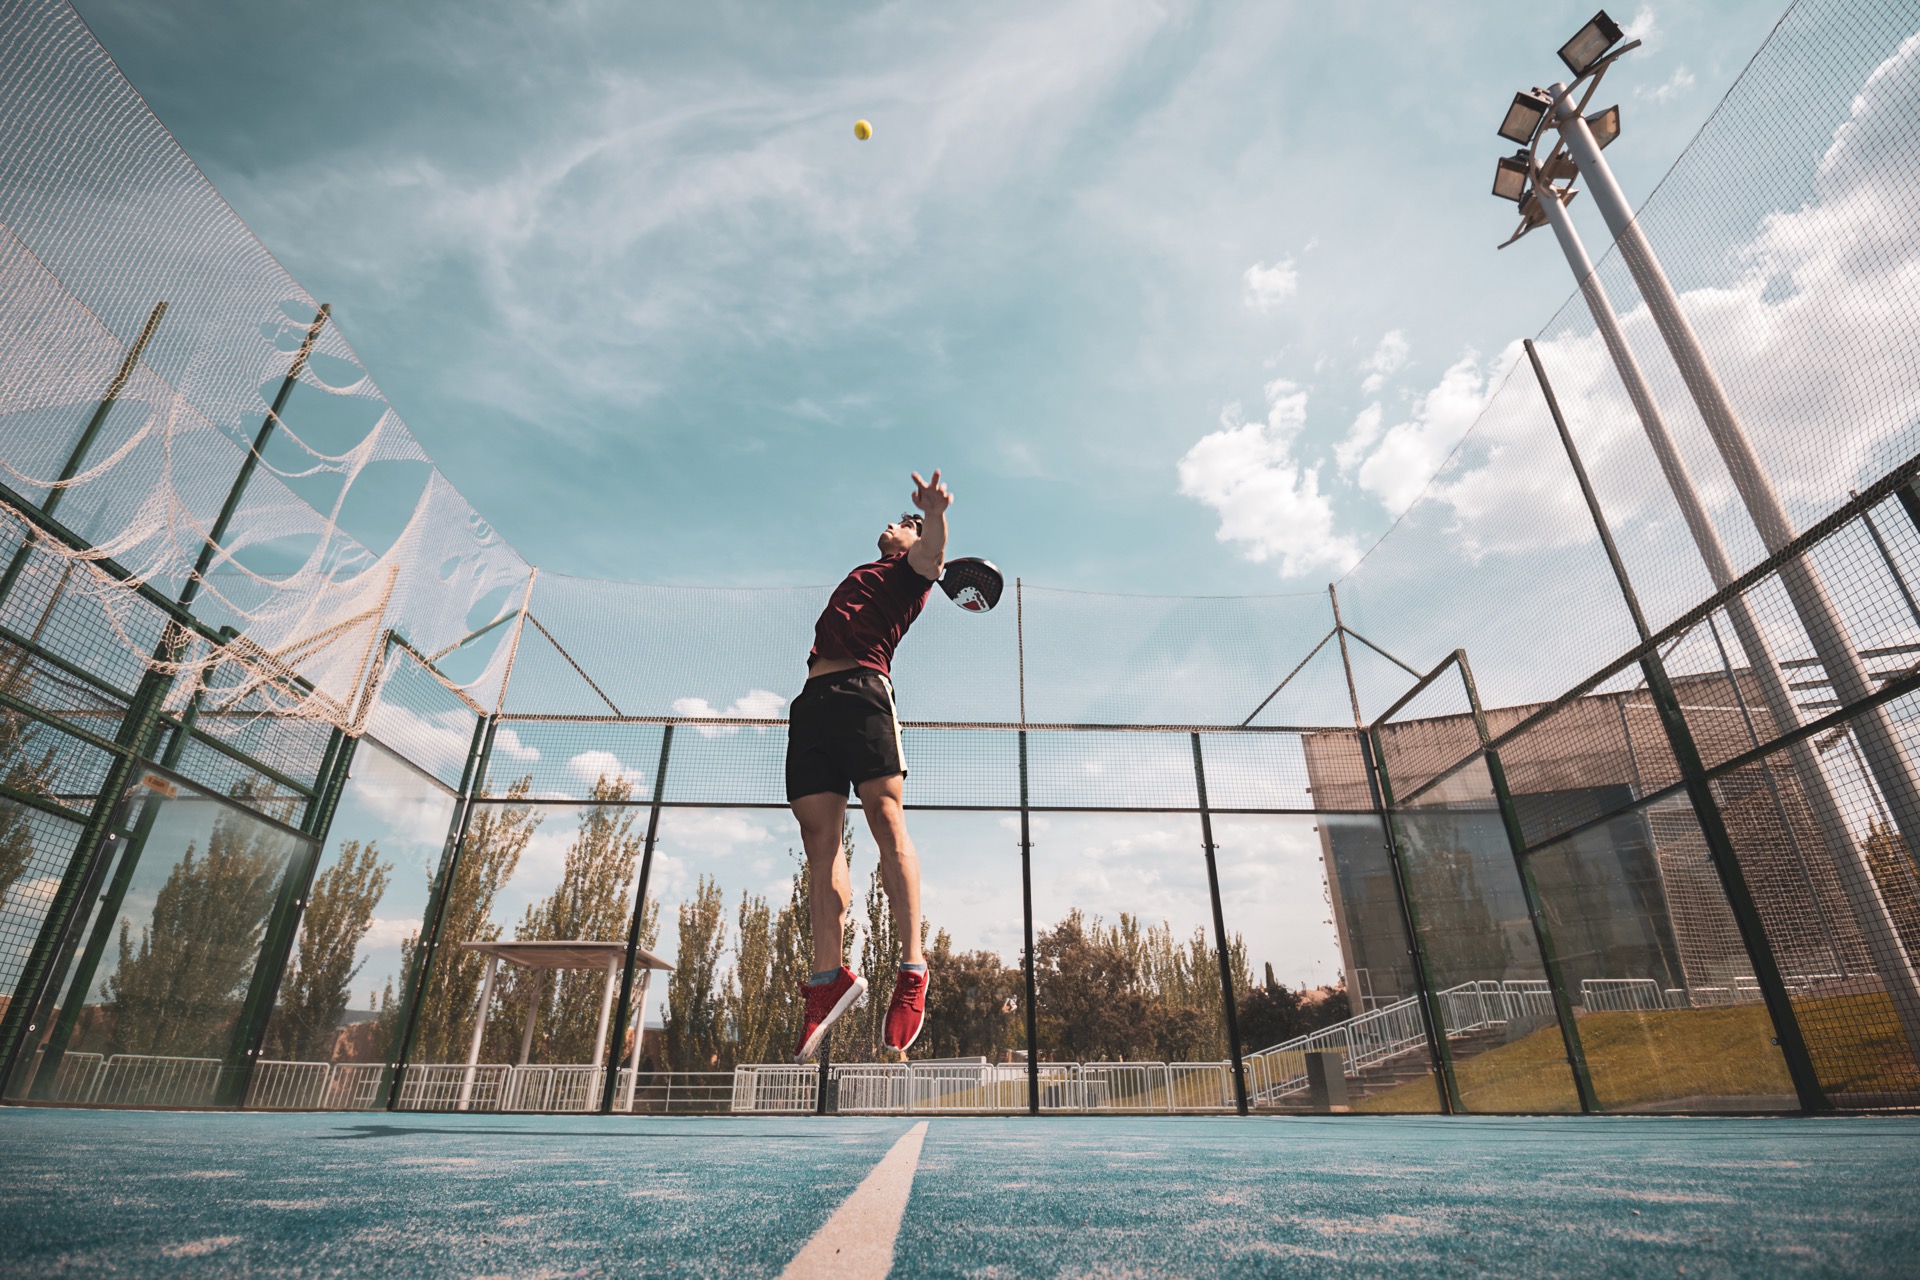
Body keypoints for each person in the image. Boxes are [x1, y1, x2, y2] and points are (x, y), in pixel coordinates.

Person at [787, 469, 951, 1062]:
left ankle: (912, 969)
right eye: (901, 521)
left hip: (863, 691)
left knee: (884, 815)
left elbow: (934, 551)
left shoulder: (914, 574)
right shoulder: (865, 571)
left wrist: (931, 514)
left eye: (905, 525)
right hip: (812, 703)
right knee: (818, 841)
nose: (897, 525)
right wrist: (920, 523)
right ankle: (827, 978)